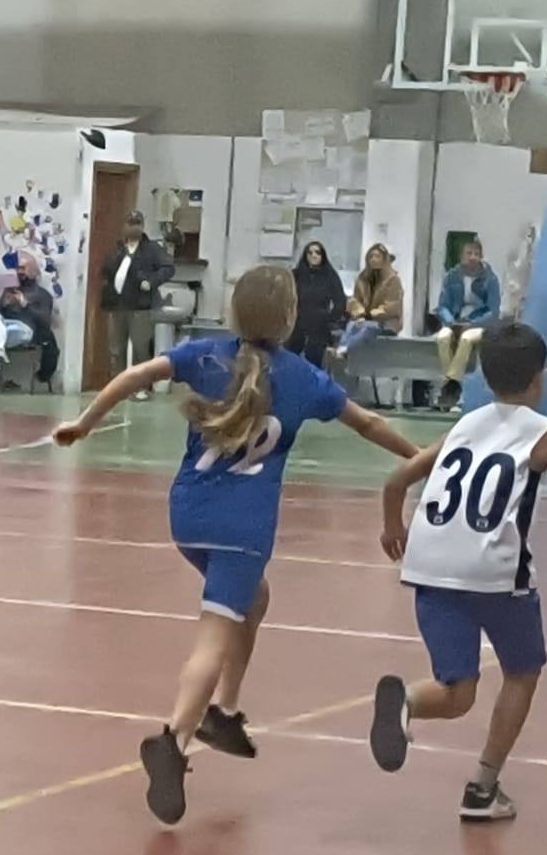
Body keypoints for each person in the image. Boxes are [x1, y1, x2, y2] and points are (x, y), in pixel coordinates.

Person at [52, 265, 417, 825]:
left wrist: (84, 422)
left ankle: (224, 710)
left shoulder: (205, 356)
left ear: (233, 312)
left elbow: (137, 375)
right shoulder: (303, 378)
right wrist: (420, 459)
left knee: (255, 598)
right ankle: (175, 737)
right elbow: (367, 423)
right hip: (243, 529)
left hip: (187, 514)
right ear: (291, 319)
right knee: (215, 634)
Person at [369, 321, 547, 822]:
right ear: (539, 379)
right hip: (493, 570)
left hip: (429, 564)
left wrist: (391, 527)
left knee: (457, 691)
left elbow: (397, 480)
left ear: (485, 378)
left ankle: (406, 702)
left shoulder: (465, 425)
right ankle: (483, 788)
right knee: (523, 671)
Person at [99, 210, 169, 395]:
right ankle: (117, 387)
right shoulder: (118, 249)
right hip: (117, 305)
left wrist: (151, 281)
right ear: (124, 226)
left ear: (143, 226)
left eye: (137, 224)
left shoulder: (151, 249)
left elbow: (168, 268)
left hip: (140, 307)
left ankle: (141, 387)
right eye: (130, 224)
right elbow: (106, 270)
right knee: (116, 349)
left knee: (140, 348)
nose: (133, 228)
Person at [0, 255, 58, 395]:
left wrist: (24, 304)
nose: (19, 272)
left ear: (33, 271)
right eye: (18, 268)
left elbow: (44, 321)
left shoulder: (43, 295)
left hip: (25, 329)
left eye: (23, 268)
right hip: (4, 327)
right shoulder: (10, 290)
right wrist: (3, 304)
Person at [433, 239, 501, 406]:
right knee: (442, 337)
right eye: (469, 253)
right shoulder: (451, 277)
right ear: (461, 256)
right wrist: (450, 322)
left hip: (478, 324)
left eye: (476, 254)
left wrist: (471, 324)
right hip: (454, 322)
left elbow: (493, 312)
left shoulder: (490, 279)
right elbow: (442, 306)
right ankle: (453, 384)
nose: (472, 257)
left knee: (466, 339)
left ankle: (451, 385)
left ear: (481, 257)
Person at [337, 243, 405, 359]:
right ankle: (342, 347)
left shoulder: (393, 280)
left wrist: (370, 315)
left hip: (386, 322)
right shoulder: (362, 278)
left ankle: (347, 349)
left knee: (369, 328)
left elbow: (392, 306)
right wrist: (360, 313)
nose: (373, 259)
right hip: (364, 318)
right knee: (352, 325)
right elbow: (355, 300)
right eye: (371, 256)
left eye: (377, 256)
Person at [287, 241, 347, 361]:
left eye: (317, 252)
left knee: (314, 358)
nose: (313, 255)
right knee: (291, 357)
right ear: (305, 256)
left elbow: (340, 300)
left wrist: (331, 319)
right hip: (297, 323)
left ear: (322, 256)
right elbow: (285, 297)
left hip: (320, 324)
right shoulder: (296, 274)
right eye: (310, 253)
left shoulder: (330, 275)